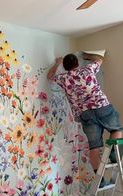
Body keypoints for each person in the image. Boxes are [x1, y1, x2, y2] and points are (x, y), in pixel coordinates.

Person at [47, 53, 122, 187]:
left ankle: (100, 180)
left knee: (94, 148)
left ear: (65, 66)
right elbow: (100, 59)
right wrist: (87, 55)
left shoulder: (63, 78)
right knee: (116, 129)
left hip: (85, 114)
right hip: (101, 106)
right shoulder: (87, 69)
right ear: (77, 63)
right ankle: (113, 154)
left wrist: (57, 63)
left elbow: (50, 76)